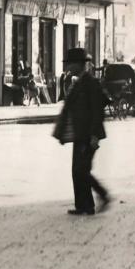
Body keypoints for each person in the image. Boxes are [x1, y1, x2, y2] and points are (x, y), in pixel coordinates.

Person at [53, 48, 110, 216]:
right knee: (77, 170)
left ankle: (102, 195)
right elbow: (69, 109)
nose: (68, 67)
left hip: (88, 134)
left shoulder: (90, 82)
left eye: (70, 64)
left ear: (79, 64)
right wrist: (62, 133)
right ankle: (84, 206)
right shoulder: (78, 82)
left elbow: (97, 111)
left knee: (81, 170)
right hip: (79, 133)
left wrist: (94, 135)